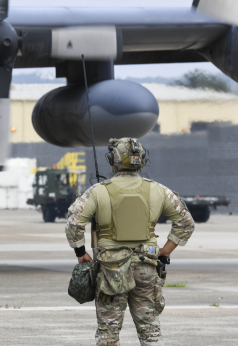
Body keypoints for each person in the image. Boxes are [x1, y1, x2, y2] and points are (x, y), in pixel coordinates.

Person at [66, 137, 195, 346]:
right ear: (141, 160)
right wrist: (165, 251)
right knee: (150, 331)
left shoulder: (98, 191)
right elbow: (186, 223)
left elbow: (74, 224)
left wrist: (80, 253)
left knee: (108, 333)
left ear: (113, 160)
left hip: (110, 272)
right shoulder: (159, 190)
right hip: (147, 268)